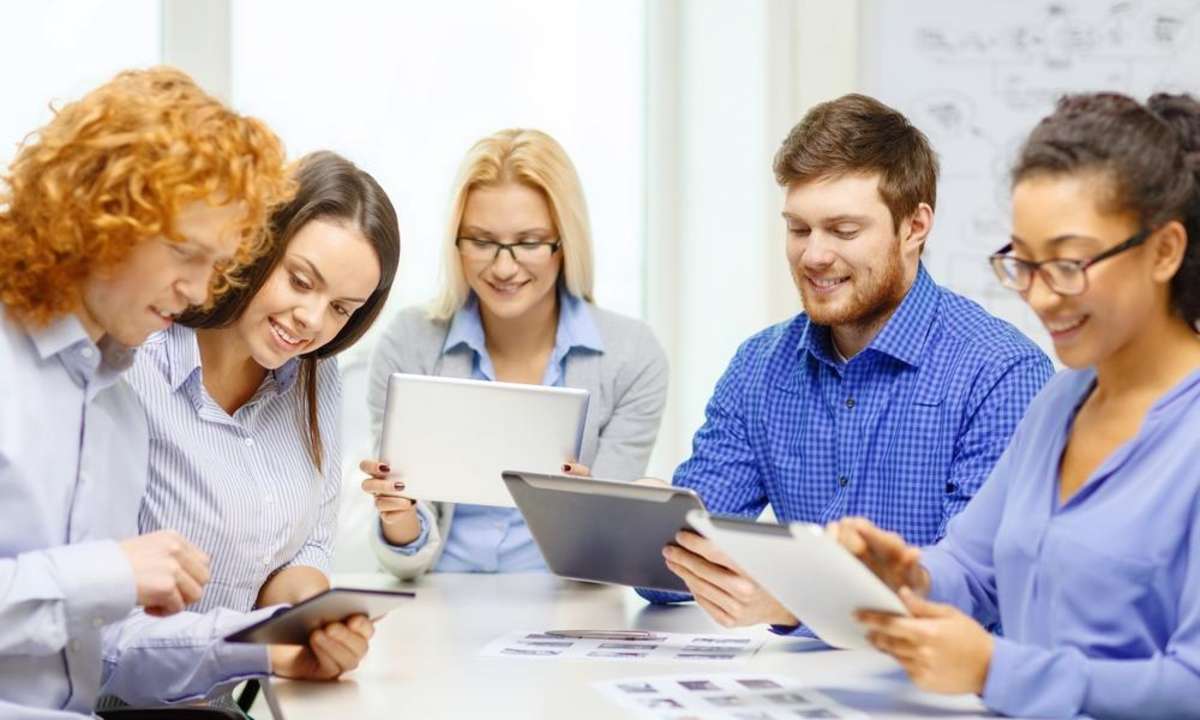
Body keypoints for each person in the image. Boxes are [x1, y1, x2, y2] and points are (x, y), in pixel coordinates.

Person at [833, 92, 1200, 719]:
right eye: (1022, 263)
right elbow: (975, 568)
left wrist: (997, 670)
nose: (1040, 296)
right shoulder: (1060, 402)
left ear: (1164, 250)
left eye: (1065, 263)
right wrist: (907, 575)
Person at [642, 94, 1053, 631]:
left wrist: (799, 602)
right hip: (798, 686)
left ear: (914, 227)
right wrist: (645, 523)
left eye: (843, 230)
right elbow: (668, 574)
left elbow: (981, 588)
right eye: (798, 228)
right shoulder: (759, 366)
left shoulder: (1001, 372)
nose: (814, 255)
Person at [0, 67, 291, 718]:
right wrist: (109, 572)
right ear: (98, 216)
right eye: (186, 253)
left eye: (216, 265)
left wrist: (262, 643)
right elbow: (96, 586)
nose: (200, 291)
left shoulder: (118, 408)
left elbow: (99, 650)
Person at [117, 150, 399, 693]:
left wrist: (311, 618)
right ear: (255, 246)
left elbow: (306, 545)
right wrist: (264, 646)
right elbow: (100, 619)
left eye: (342, 308)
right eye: (300, 281)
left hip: (227, 695)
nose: (313, 321)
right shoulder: (134, 365)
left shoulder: (317, 376)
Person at [360, 128, 668, 576]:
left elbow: (603, 561)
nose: (503, 267)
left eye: (528, 242)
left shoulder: (632, 357)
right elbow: (405, 556)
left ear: (565, 244)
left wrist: (587, 518)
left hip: (568, 610)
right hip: (437, 604)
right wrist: (398, 513)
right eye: (482, 242)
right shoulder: (409, 342)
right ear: (457, 241)